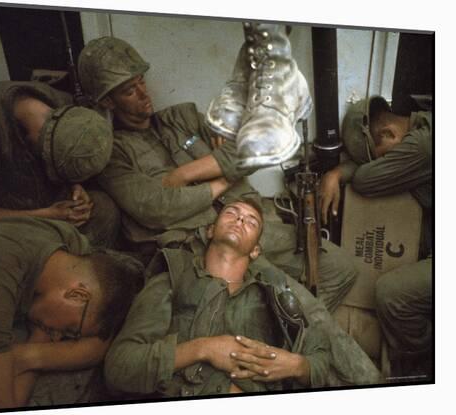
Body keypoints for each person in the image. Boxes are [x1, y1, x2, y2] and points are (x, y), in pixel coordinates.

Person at [77, 36, 356, 312]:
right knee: (263, 303)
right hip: (195, 247)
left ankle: (295, 341)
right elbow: (156, 207)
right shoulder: (114, 154)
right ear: (109, 102)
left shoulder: (182, 119)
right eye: (129, 91)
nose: (143, 93)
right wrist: (223, 173)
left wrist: (186, 174)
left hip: (248, 225)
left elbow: (252, 149)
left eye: (141, 82)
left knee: (340, 269)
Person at [104, 199, 381, 398]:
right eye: (231, 213)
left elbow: (321, 356)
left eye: (251, 221)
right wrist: (204, 349)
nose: (240, 219)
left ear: (256, 251)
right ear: (210, 231)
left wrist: (298, 366)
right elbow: (120, 367)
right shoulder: (171, 281)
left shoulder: (273, 294)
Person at [0, 216, 142, 410]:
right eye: (70, 329)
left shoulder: (68, 244)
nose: (58, 336)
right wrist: (37, 346)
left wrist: (28, 354)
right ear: (77, 294)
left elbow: (98, 345)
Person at [320, 95, 432, 379]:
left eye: (382, 158)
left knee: (393, 293)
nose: (385, 164)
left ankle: (418, 368)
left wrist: (336, 174)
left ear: (388, 133)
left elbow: (365, 180)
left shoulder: (422, 145)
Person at [0, 80, 120, 248]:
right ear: (40, 148)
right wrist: (46, 215)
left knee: (103, 208)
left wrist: (76, 188)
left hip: (43, 197)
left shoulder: (62, 105)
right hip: (5, 213)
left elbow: (68, 152)